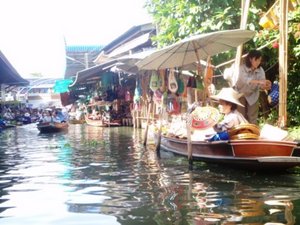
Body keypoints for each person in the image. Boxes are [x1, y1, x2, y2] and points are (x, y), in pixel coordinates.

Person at [223, 50, 272, 124]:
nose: (258, 62)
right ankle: (242, 133)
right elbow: (245, 80)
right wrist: (260, 82)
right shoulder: (241, 68)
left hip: (253, 94)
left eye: (259, 60)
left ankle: (252, 133)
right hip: (240, 93)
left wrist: (266, 86)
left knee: (252, 117)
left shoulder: (261, 70)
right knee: (241, 115)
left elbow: (262, 85)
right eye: (256, 60)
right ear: (250, 59)